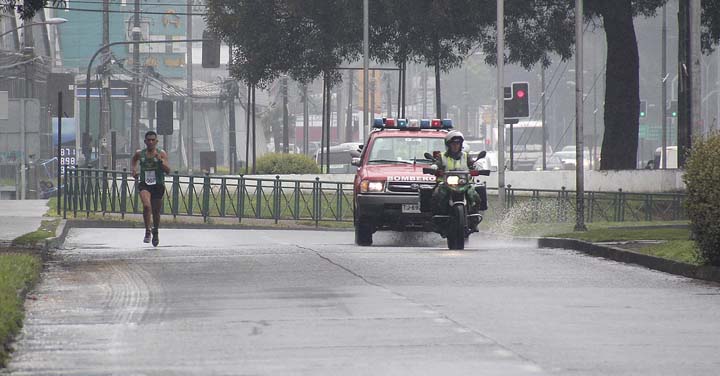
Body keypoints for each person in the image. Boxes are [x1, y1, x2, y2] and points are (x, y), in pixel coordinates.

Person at [432, 130, 484, 219]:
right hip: (445, 183)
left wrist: (476, 167)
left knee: (475, 195)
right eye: (453, 144)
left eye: (458, 143)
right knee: (437, 195)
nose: (455, 146)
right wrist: (434, 167)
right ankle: (439, 216)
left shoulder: (465, 156)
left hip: (464, 183)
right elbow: (437, 164)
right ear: (448, 145)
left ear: (461, 145)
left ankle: (474, 216)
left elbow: (472, 164)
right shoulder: (442, 156)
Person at [131, 131, 170, 247]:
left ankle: (155, 231)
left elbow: (168, 170)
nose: (151, 142)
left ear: (156, 142)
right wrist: (134, 169)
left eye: (153, 140)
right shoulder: (140, 153)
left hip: (157, 184)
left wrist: (160, 160)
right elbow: (134, 160)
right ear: (145, 141)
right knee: (147, 206)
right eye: (148, 140)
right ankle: (147, 231)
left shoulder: (161, 153)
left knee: (156, 211)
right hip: (145, 184)